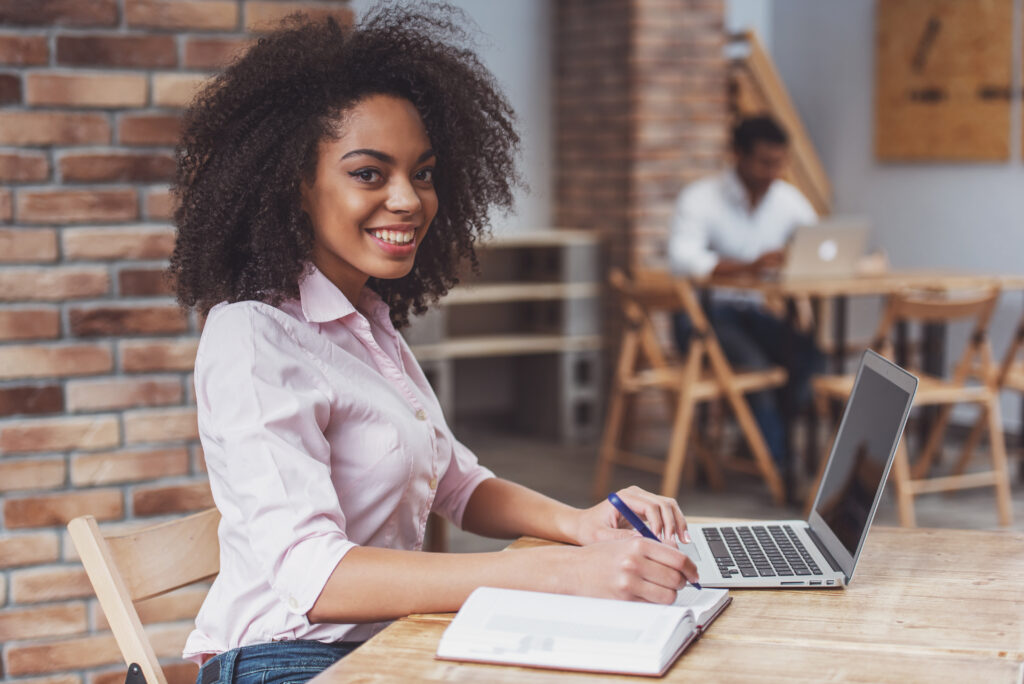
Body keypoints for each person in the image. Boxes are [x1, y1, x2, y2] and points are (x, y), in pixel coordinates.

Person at [170, 6, 699, 683]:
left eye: (422, 173)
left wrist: (583, 527)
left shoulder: (369, 322)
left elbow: (456, 482)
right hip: (286, 660)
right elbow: (315, 578)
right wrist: (549, 573)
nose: (409, 199)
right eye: (370, 173)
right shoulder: (252, 337)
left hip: (391, 644)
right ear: (295, 186)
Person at [667, 115, 823, 469]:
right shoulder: (700, 199)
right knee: (757, 367)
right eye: (764, 162)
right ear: (738, 154)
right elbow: (683, 260)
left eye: (779, 163)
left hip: (752, 314)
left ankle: (761, 445)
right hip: (702, 318)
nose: (773, 172)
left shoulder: (787, 199)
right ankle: (778, 467)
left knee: (808, 357)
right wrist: (750, 266)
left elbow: (815, 240)